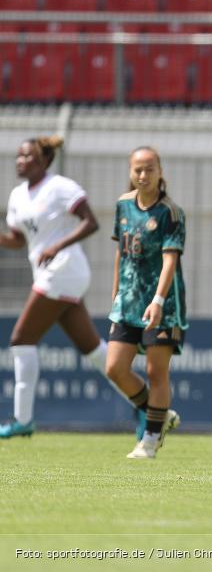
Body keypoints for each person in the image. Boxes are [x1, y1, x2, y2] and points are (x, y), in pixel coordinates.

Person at [0, 136, 124, 438]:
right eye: (17, 155)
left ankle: (22, 419)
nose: (19, 160)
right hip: (50, 273)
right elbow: (19, 240)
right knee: (93, 350)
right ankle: (147, 402)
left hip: (64, 269)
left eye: (27, 156)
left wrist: (57, 246)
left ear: (43, 160)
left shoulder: (60, 187)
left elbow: (91, 222)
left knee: (21, 339)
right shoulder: (17, 196)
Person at [105, 147, 186, 459]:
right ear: (130, 172)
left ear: (160, 171)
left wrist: (158, 301)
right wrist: (115, 296)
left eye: (149, 169)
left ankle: (150, 440)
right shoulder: (123, 206)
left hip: (161, 306)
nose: (143, 175)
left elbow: (170, 261)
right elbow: (120, 253)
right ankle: (160, 413)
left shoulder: (170, 213)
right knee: (114, 368)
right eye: (137, 169)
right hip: (127, 303)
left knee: (156, 372)